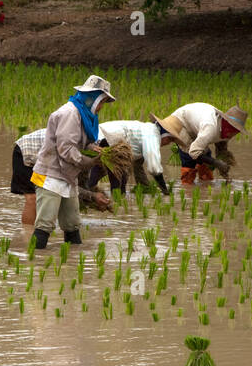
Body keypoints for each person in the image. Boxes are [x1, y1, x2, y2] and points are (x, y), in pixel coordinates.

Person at [31, 74, 116, 249]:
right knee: (45, 224)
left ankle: (74, 265)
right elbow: (67, 150)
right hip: (50, 175)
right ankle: (34, 261)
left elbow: (81, 142)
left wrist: (94, 149)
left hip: (68, 176)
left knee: (72, 224)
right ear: (92, 99)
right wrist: (91, 162)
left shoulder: (85, 115)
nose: (101, 107)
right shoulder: (70, 113)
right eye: (101, 102)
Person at [11, 127, 112, 227]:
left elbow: (80, 186)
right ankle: (27, 234)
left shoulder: (89, 153)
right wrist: (93, 196)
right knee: (32, 198)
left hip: (46, 153)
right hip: (27, 151)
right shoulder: (78, 154)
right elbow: (67, 183)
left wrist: (94, 199)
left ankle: (39, 230)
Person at [153, 104, 247, 186]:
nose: (234, 134)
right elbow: (193, 152)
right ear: (227, 124)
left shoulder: (226, 131)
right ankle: (187, 188)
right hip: (181, 122)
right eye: (234, 130)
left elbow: (221, 147)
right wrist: (216, 163)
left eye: (237, 131)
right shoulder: (210, 128)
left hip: (197, 125)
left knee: (205, 159)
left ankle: (206, 183)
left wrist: (225, 173)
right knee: (189, 158)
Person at [89, 118, 173, 195]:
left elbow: (138, 166)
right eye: (170, 140)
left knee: (110, 171)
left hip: (102, 136)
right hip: (108, 138)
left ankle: (88, 189)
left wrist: (145, 186)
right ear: (165, 136)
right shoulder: (152, 135)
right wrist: (165, 190)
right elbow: (154, 167)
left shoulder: (145, 131)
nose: (168, 143)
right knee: (118, 176)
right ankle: (116, 201)